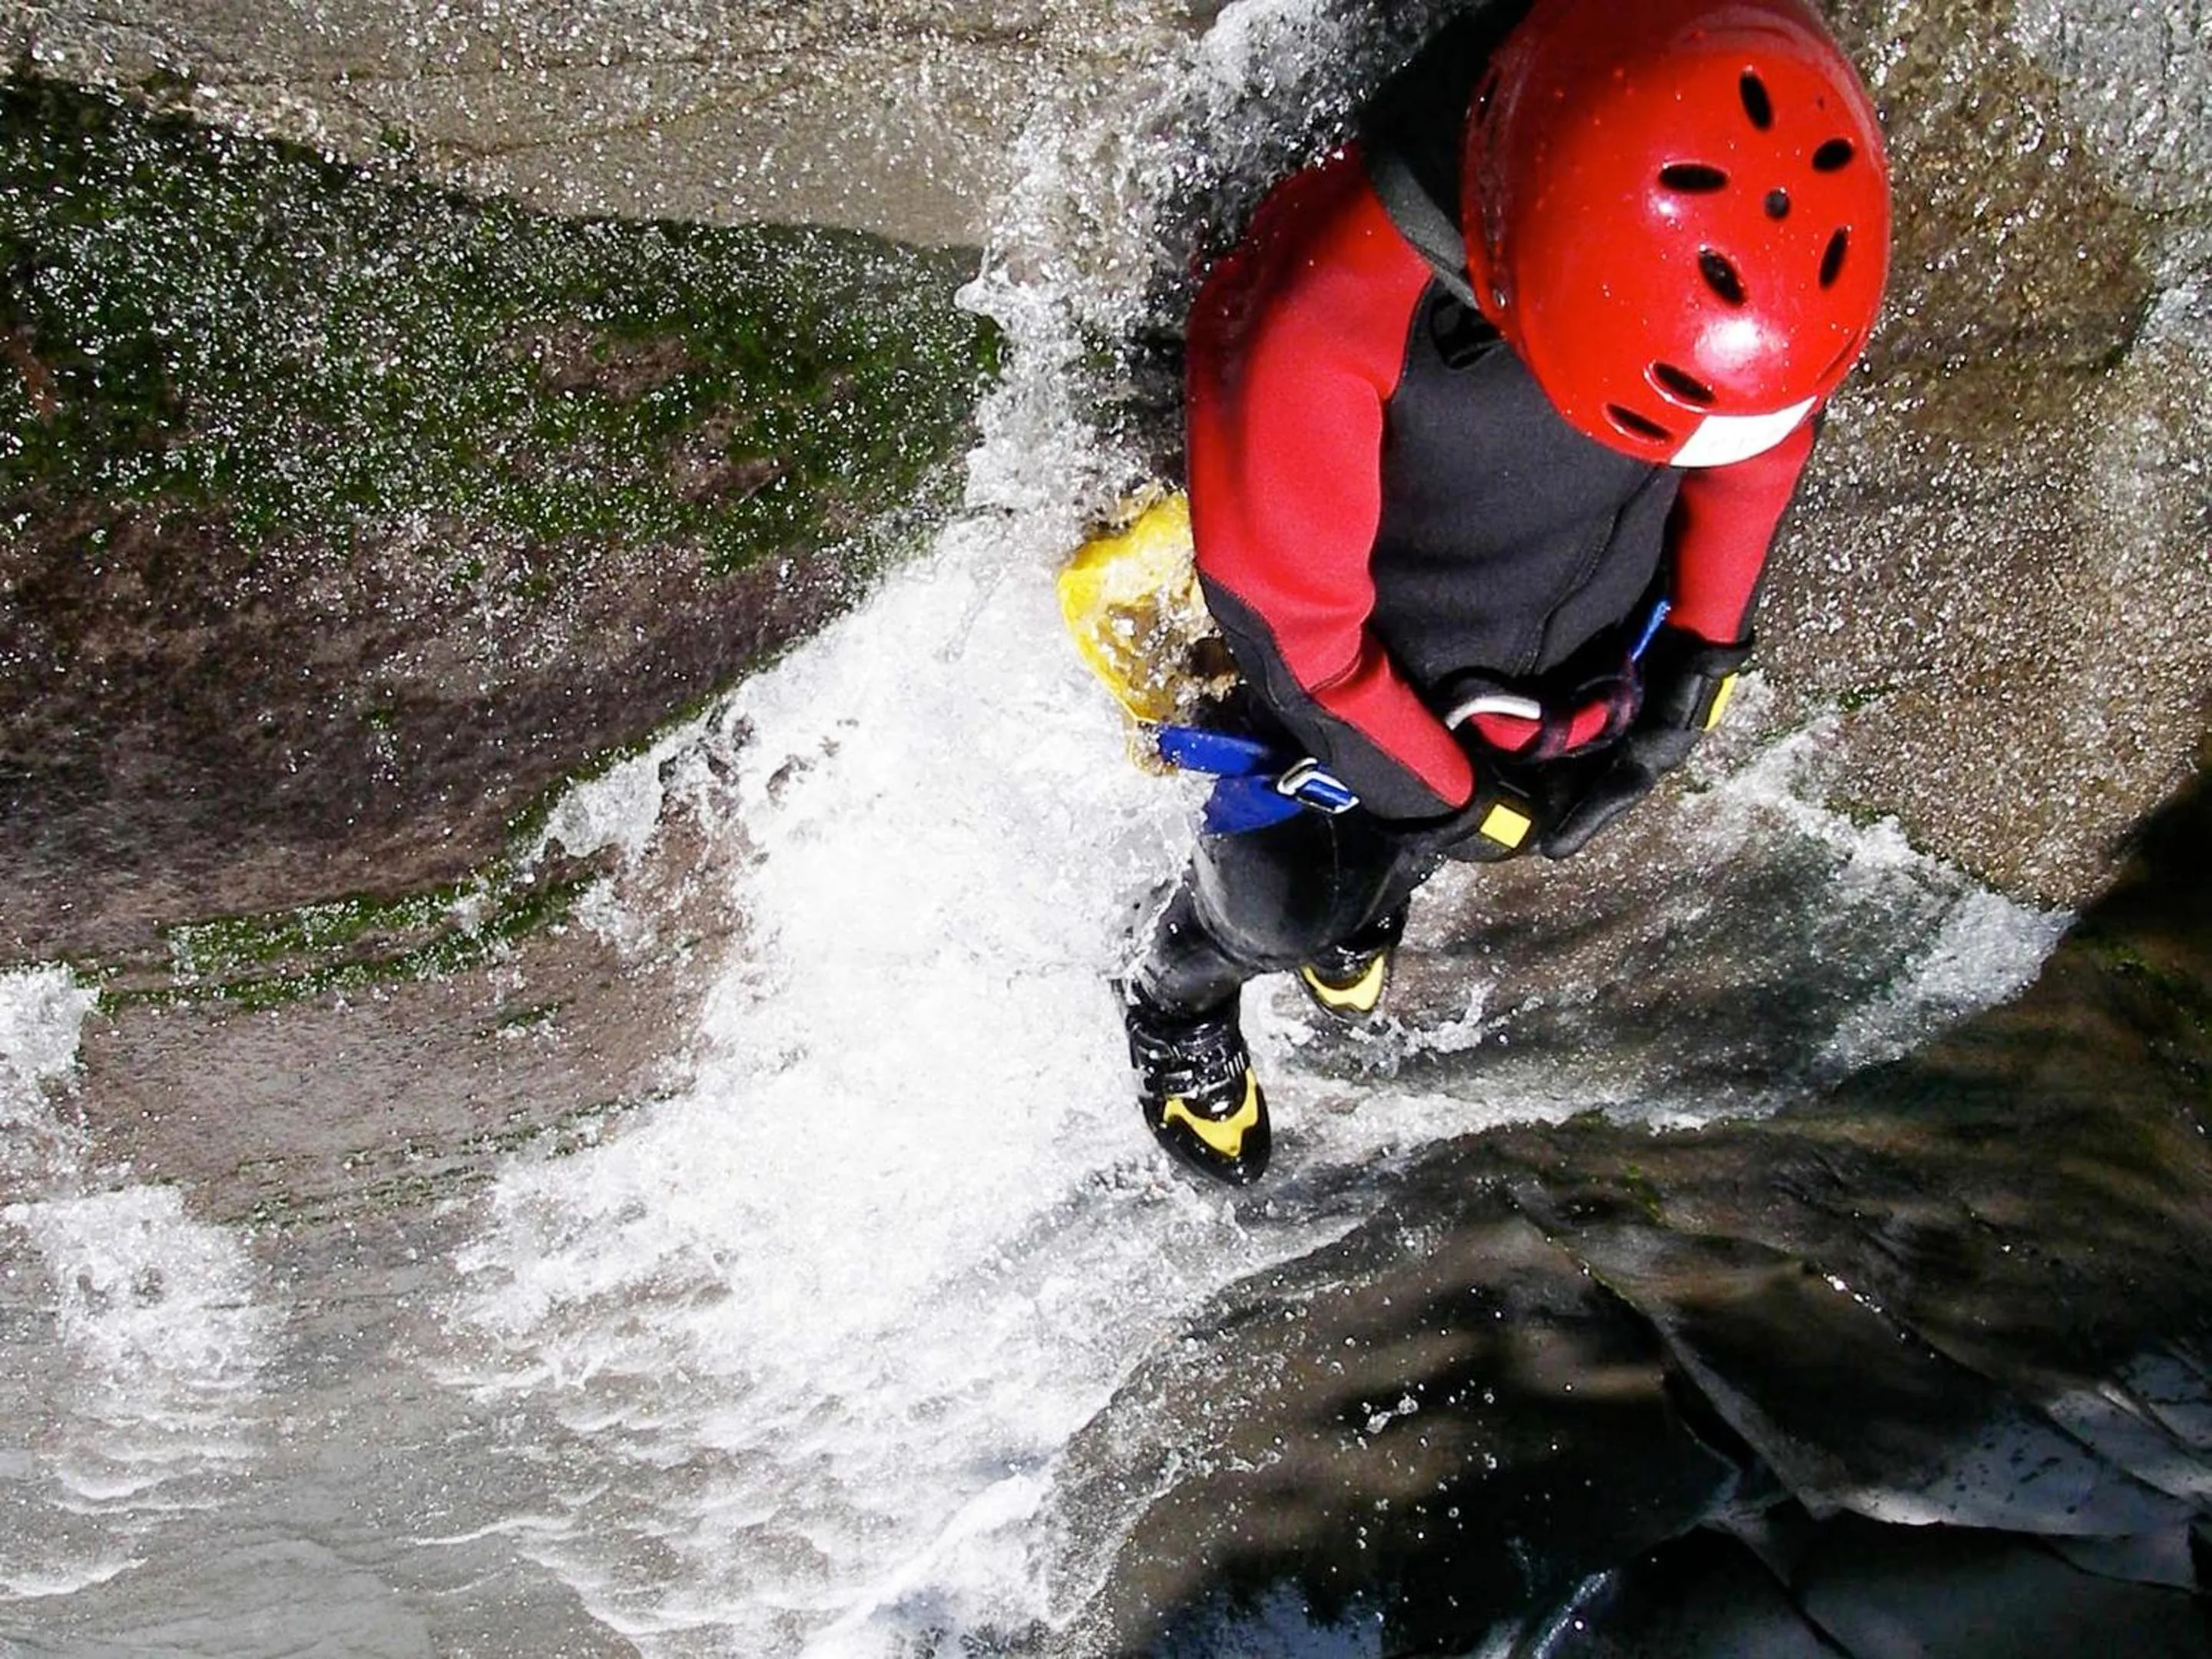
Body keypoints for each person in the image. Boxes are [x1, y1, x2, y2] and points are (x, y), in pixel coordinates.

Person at [1118, 0, 1892, 1184]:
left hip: (1552, 636)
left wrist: (1700, 654)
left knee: (1444, 828)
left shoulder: (1730, 102)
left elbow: (1760, 429)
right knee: (1285, 900)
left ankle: (1378, 892)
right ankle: (1178, 1000)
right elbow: (1306, 648)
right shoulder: (1323, 319)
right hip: (1359, 669)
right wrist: (1447, 801)